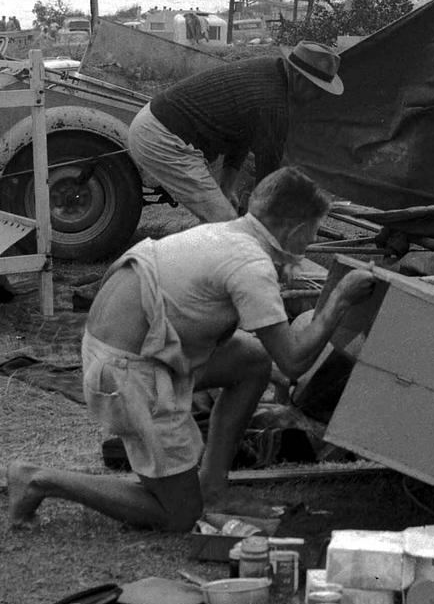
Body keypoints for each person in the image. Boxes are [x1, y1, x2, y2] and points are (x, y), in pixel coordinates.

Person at [7, 167, 376, 532]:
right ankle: (39, 479)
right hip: (126, 374)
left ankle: (212, 487)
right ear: (296, 229)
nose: (311, 240)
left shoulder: (227, 234)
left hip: (120, 351)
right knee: (179, 515)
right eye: (312, 231)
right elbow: (294, 362)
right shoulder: (250, 264)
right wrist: (340, 300)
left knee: (251, 360)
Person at [127, 40, 344, 224]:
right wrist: (266, 224)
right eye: (316, 89)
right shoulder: (273, 103)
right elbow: (267, 177)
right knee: (225, 223)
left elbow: (241, 134)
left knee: (226, 222)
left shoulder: (272, 71)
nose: (317, 97)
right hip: (162, 136)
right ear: (299, 78)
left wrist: (227, 187)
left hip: (156, 124)